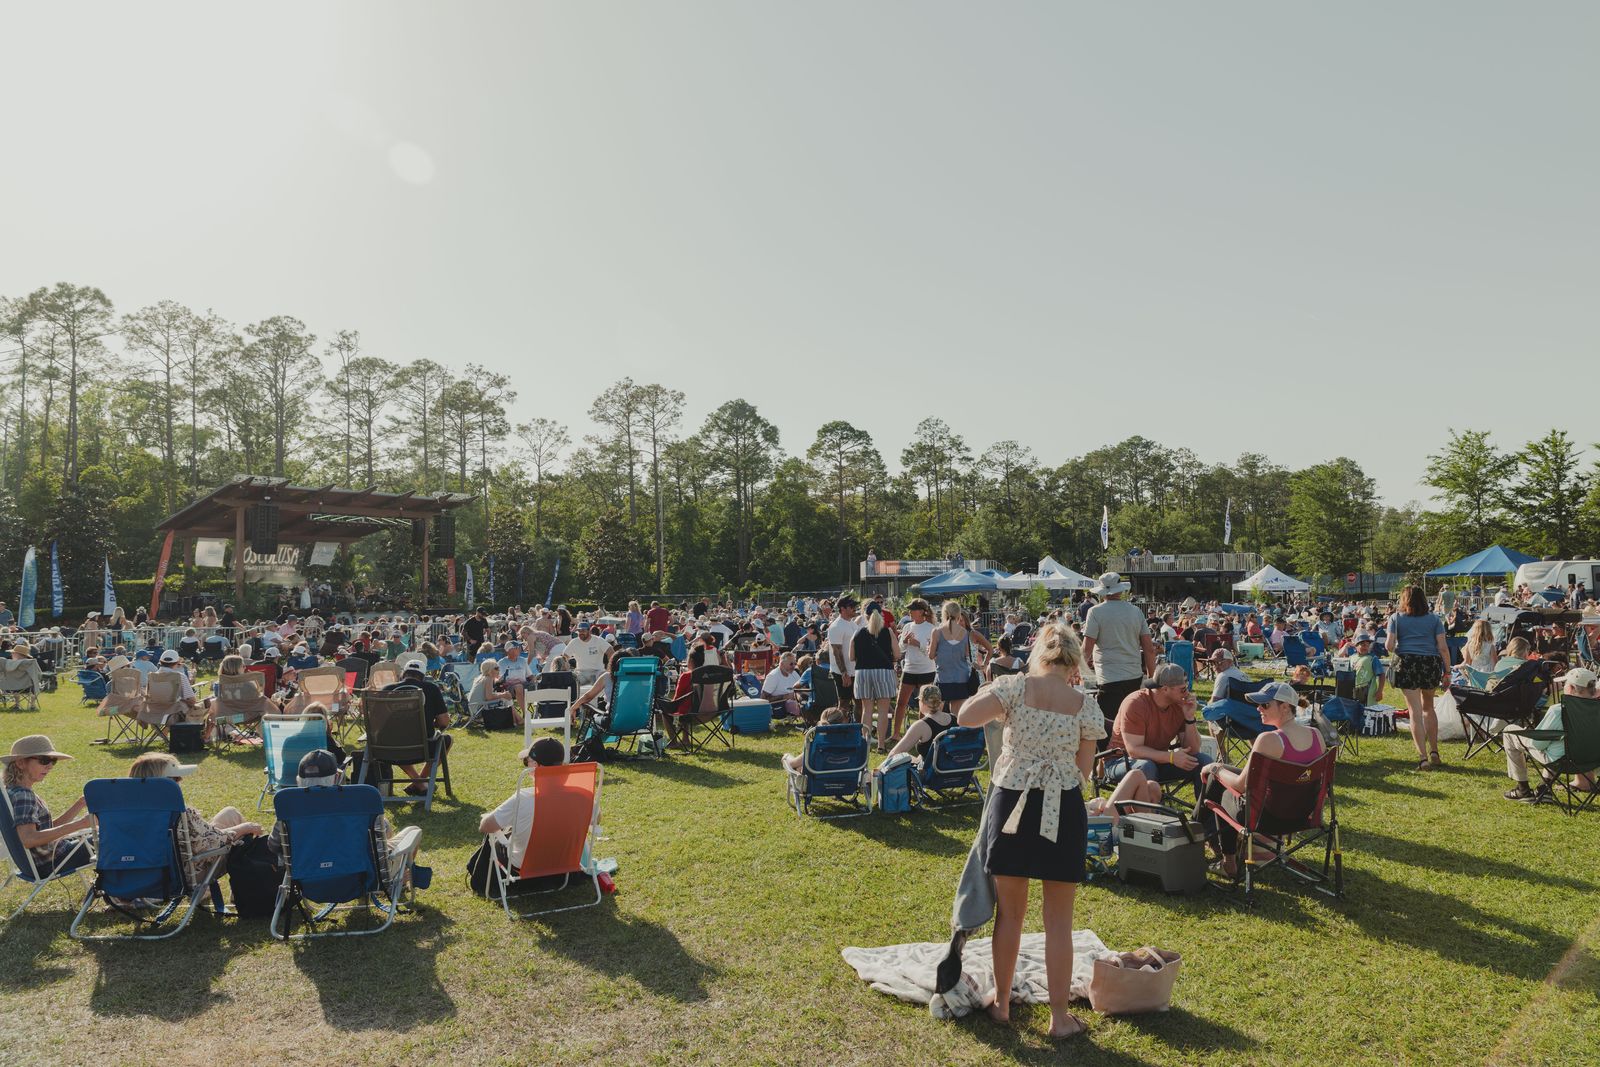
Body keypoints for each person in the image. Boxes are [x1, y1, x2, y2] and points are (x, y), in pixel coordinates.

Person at [955, 619, 1101, 1040]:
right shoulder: (1084, 704)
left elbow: (965, 716)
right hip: (1062, 806)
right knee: (1059, 921)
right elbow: (1084, 771)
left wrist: (995, 689)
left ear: (1039, 654)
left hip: (1013, 803)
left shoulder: (1016, 687)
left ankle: (1002, 1004)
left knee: (1010, 914)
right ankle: (1059, 1018)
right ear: (1073, 662)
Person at [1198, 681, 1326, 877]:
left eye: (1265, 705)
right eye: (1258, 704)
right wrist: (1220, 769)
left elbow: (1240, 786)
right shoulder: (1316, 736)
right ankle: (1196, 831)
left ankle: (1222, 858)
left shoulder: (1268, 740)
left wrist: (1214, 768)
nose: (1258, 709)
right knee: (1221, 775)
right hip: (1304, 816)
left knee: (1220, 785)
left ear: (1285, 707)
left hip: (1265, 819)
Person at [127, 753, 263, 886]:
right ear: (163, 784)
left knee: (230, 813)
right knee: (243, 840)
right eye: (176, 778)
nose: (181, 780)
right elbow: (211, 844)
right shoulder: (178, 813)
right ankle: (246, 893)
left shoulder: (123, 814)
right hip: (183, 877)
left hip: (138, 876)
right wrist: (246, 828)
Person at [1104, 664, 1210, 807]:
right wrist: (1171, 757)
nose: (1187, 693)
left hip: (1158, 761)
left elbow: (1193, 749)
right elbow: (1134, 750)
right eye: (1183, 689)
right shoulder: (1136, 703)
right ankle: (1151, 819)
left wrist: (1189, 718)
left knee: (1203, 761)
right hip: (1120, 761)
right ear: (1165, 689)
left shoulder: (1178, 705)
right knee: (1147, 766)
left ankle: (1207, 817)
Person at [478, 737, 571, 881]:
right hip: (565, 863)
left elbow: (486, 827)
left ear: (536, 766)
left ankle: (482, 881)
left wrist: (486, 818)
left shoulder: (523, 798)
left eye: (527, 761)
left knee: (494, 840)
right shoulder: (582, 795)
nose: (526, 766)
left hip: (524, 864)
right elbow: (597, 819)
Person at [1503, 667, 1600, 801]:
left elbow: (1537, 744)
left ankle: (1522, 790)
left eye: (1565, 684)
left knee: (1509, 731)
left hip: (1562, 761)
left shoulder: (1558, 711)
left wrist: (1529, 733)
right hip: (1591, 760)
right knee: (1556, 741)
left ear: (1571, 688)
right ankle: (1544, 788)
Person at [2, 734, 93, 877]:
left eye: (53, 761)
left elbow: (46, 829)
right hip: (53, 862)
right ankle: (115, 888)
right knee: (112, 837)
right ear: (20, 763)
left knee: (104, 836)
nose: (49, 766)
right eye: (44, 760)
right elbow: (29, 839)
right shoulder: (23, 796)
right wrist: (81, 824)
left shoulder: (13, 791)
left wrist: (79, 804)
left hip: (50, 856)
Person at [1081, 571, 1157, 738]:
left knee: (1108, 729)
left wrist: (1075, 671)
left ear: (1102, 592)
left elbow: (1087, 648)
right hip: (1133, 675)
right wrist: (1152, 678)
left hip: (1108, 677)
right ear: (1120, 590)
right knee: (1132, 724)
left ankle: (1110, 755)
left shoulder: (1095, 612)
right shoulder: (1135, 611)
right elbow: (1149, 649)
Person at [1386, 585, 1451, 771]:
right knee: (1428, 708)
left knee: (1414, 711)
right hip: (1430, 663)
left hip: (1407, 663)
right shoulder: (1434, 619)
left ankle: (1423, 758)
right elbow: (1443, 647)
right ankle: (1435, 751)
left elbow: (1389, 646)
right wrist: (1447, 672)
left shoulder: (1396, 618)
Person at [381, 654, 452, 796]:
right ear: (423, 676)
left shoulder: (387, 689)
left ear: (403, 674)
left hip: (388, 748)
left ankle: (418, 781)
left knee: (396, 740)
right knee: (447, 740)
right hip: (423, 746)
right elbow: (444, 722)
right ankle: (420, 782)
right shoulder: (431, 689)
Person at [930, 600, 992, 717]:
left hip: (943, 677)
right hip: (961, 678)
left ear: (944, 614)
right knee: (957, 715)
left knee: (937, 714)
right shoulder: (964, 633)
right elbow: (967, 655)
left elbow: (931, 655)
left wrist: (938, 651)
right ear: (958, 615)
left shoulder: (937, 632)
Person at [852, 604, 901, 753]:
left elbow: (851, 656)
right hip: (883, 671)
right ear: (881, 615)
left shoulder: (858, 633)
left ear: (865, 616)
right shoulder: (888, 632)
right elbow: (897, 655)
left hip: (863, 672)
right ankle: (881, 745)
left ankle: (865, 743)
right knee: (883, 711)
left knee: (866, 710)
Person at [884, 683, 955, 765]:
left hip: (931, 771)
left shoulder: (921, 725)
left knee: (900, 756)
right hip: (955, 768)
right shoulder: (955, 719)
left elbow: (894, 754)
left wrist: (879, 770)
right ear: (940, 702)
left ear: (921, 702)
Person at [780, 706, 854, 774]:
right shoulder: (854, 743)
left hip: (821, 781)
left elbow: (792, 764)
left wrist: (786, 757)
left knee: (791, 761)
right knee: (801, 767)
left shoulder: (818, 745)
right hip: (847, 779)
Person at [826, 596, 861, 715]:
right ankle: (840, 725)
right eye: (851, 606)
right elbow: (837, 651)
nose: (854, 608)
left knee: (860, 702)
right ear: (842, 608)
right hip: (843, 672)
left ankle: (858, 726)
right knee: (844, 703)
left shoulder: (853, 624)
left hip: (854, 670)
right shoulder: (836, 626)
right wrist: (844, 673)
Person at [470, 659, 520, 728]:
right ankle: (515, 721)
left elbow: (488, 695)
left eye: (498, 668)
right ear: (489, 670)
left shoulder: (480, 678)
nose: (499, 670)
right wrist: (503, 695)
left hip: (473, 707)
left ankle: (517, 720)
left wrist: (502, 694)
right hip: (479, 709)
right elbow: (489, 697)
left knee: (505, 696)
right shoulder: (488, 678)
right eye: (496, 668)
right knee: (506, 698)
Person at [564, 619, 610, 687]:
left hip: (597, 671)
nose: (581, 633)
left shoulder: (598, 640)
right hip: (581, 673)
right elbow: (564, 656)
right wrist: (565, 667)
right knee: (571, 683)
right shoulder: (574, 642)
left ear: (589, 631)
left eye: (583, 631)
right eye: (579, 631)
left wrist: (610, 668)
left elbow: (611, 652)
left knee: (601, 680)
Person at [760, 651, 805, 718]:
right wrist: (784, 697)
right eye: (791, 664)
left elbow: (802, 688)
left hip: (796, 701)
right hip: (779, 706)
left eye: (795, 664)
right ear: (781, 664)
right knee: (793, 704)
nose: (793, 666)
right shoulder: (773, 676)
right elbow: (763, 699)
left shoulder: (794, 673)